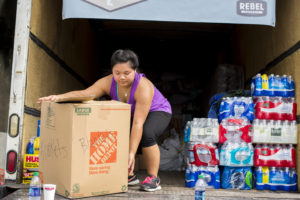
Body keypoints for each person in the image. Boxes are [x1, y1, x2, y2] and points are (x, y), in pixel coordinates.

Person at [37, 49, 172, 192]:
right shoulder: (108, 82)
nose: (122, 77)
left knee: (147, 133)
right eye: (117, 73)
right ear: (112, 71)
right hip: (133, 113)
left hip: (158, 111)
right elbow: (86, 94)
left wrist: (132, 154)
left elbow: (138, 123)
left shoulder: (143, 86)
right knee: (115, 132)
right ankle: (129, 176)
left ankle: (153, 178)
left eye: (127, 73)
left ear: (135, 70)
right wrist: (58, 97)